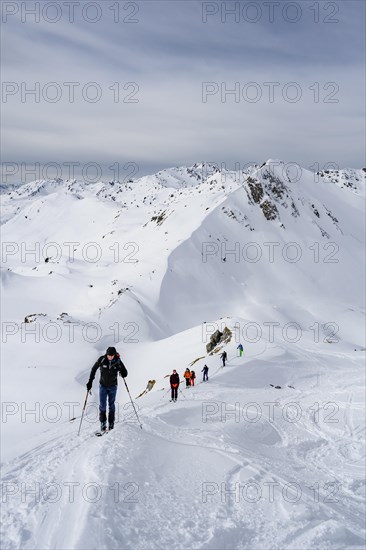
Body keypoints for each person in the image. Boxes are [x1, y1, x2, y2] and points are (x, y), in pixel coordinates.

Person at [86, 346, 128, 432]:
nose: (110, 357)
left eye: (112, 356)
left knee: (111, 405)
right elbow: (93, 369)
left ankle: (111, 424)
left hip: (113, 387)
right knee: (102, 406)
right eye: (109, 355)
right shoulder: (102, 359)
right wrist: (90, 381)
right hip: (103, 386)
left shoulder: (118, 361)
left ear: (115, 355)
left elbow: (125, 372)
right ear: (106, 354)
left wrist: (123, 373)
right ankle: (103, 424)